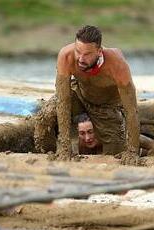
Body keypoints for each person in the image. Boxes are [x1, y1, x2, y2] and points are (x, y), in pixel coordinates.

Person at [54, 25, 139, 163]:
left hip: (106, 107)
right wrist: (64, 147)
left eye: (87, 54)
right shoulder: (66, 55)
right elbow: (62, 101)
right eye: (78, 51)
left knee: (116, 151)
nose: (80, 58)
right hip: (79, 94)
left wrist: (133, 151)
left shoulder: (117, 64)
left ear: (99, 51)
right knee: (46, 115)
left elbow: (131, 110)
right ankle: (47, 153)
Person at [76, 113, 154, 156]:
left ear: (99, 129)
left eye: (91, 132)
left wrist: (145, 167)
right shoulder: (78, 145)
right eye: (82, 133)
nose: (87, 138)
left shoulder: (117, 137)